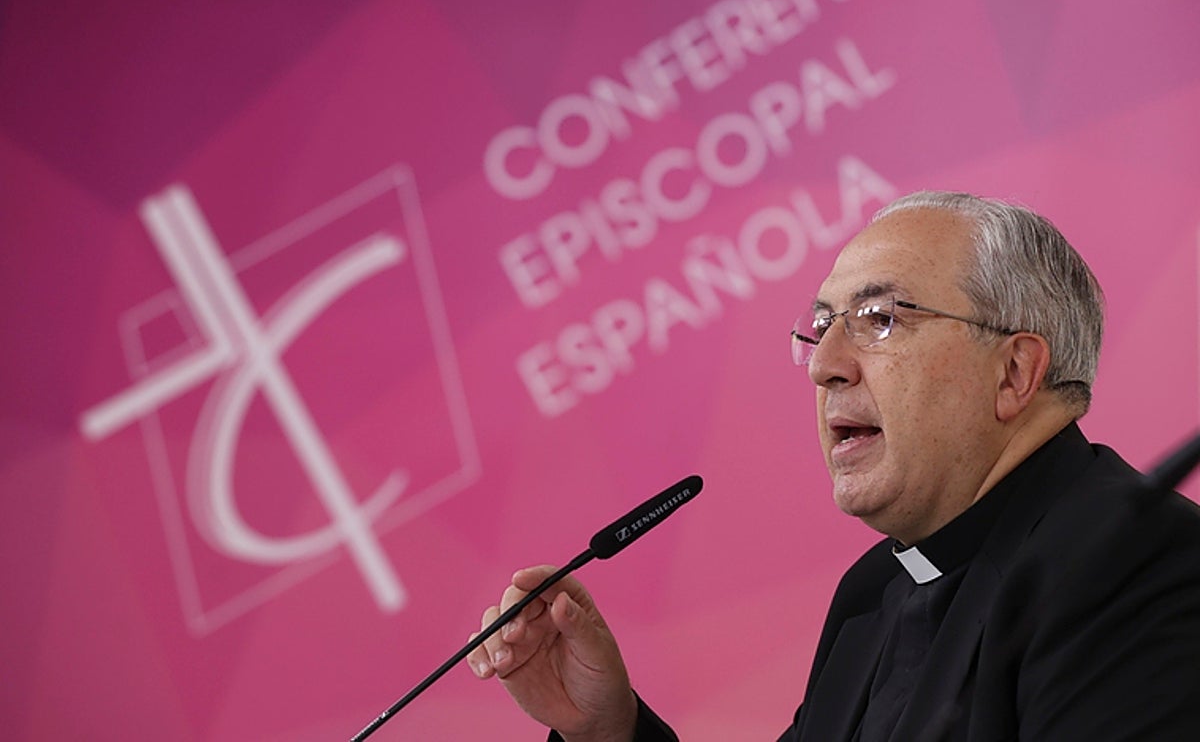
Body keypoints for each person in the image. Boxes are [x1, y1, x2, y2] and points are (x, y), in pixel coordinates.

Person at [467, 191, 1200, 741]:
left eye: (880, 319)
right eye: (821, 328)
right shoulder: (874, 592)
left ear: (1014, 373)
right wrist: (611, 731)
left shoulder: (1137, 562)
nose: (825, 366)